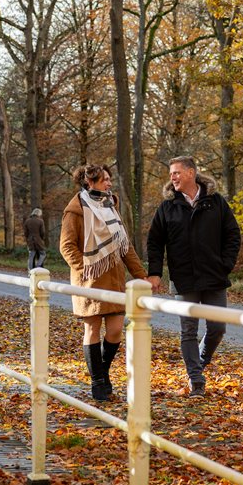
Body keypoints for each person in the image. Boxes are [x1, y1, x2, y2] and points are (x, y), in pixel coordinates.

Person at [146, 156, 241, 397]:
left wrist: (225, 265)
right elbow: (155, 242)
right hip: (184, 278)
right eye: (171, 174)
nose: (173, 178)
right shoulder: (167, 207)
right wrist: (154, 274)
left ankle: (200, 361)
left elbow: (232, 234)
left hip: (214, 277)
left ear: (191, 173)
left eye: (176, 173)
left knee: (218, 328)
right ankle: (196, 378)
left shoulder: (215, 202)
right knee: (188, 330)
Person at [60, 163, 148, 401]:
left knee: (116, 330)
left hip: (114, 278)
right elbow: (67, 247)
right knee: (92, 329)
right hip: (89, 280)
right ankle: (98, 381)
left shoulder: (111, 207)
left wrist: (142, 275)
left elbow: (124, 246)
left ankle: (102, 372)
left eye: (109, 179)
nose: (109, 184)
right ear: (90, 182)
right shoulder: (75, 211)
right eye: (105, 180)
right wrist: (85, 270)